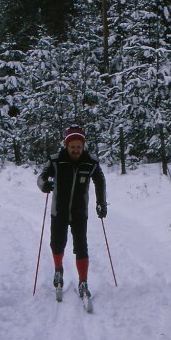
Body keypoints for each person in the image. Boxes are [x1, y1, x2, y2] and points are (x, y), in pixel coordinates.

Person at [37, 125, 107, 300]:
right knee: (57, 243)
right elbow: (41, 177)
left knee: (81, 246)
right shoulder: (55, 161)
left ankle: (83, 281)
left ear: (83, 146)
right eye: (72, 146)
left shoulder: (90, 163)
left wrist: (101, 203)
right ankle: (58, 270)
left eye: (79, 146)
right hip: (58, 211)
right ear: (66, 145)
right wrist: (44, 185)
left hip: (79, 213)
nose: (76, 150)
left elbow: (100, 181)